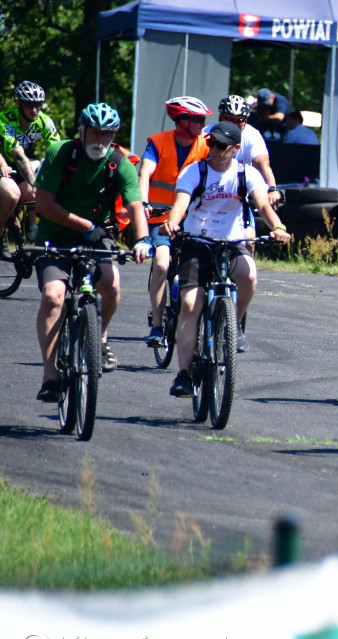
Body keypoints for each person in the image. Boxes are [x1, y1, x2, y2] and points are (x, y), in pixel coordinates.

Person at [163, 121, 291, 397]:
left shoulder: (246, 174)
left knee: (249, 275)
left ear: (235, 148)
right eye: (211, 143)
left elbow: (263, 206)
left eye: (222, 145)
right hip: (198, 242)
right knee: (189, 304)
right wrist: (172, 223)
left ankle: (233, 326)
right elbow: (181, 204)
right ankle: (184, 374)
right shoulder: (194, 172)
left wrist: (278, 227)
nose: (215, 149)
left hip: (231, 243)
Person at [32, 103, 150, 400]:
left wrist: (143, 239)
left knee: (110, 283)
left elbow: (135, 204)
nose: (100, 140)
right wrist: (84, 224)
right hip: (55, 236)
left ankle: (99, 335)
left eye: (107, 135)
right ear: (82, 132)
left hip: (98, 237)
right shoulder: (61, 153)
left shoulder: (118, 162)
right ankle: (50, 376)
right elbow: (43, 204)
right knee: (53, 296)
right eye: (95, 133)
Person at [138, 96, 212, 350]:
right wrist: (144, 203)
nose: (203, 125)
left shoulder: (206, 145)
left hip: (193, 219)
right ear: (183, 121)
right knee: (161, 263)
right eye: (199, 120)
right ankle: (157, 326)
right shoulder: (157, 143)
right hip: (160, 217)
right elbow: (145, 173)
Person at [1, 81, 62, 236]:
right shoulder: (6, 121)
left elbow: (58, 151)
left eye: (38, 105)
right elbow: (19, 156)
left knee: (46, 194)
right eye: (29, 105)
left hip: (14, 168)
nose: (34, 110)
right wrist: (35, 182)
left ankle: (38, 235)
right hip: (4, 164)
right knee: (12, 193)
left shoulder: (43, 121)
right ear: (19, 103)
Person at [207, 95, 282, 209]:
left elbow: (262, 163)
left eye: (239, 120)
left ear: (246, 120)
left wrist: (272, 189)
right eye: (229, 119)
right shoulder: (206, 133)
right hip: (208, 191)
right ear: (220, 117)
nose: (233, 124)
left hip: (238, 193)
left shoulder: (252, 135)